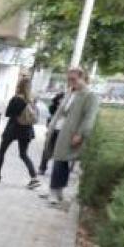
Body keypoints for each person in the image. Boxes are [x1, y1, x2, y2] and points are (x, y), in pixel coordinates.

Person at [44, 67, 100, 207]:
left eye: (73, 79)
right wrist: (51, 126)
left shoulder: (89, 95)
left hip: (70, 133)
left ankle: (53, 191)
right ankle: (58, 191)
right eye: (68, 79)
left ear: (83, 78)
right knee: (60, 161)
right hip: (58, 130)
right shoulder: (70, 92)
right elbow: (60, 112)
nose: (70, 82)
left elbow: (89, 117)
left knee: (60, 161)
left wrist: (80, 134)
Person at [0, 77, 41, 189]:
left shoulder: (16, 99)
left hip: (13, 129)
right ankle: (34, 178)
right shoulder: (31, 100)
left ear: (19, 86)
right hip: (26, 130)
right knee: (23, 154)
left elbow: (8, 113)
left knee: (2, 150)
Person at [38, 89, 66, 176]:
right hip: (53, 130)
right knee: (47, 149)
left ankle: (57, 171)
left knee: (60, 152)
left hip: (63, 132)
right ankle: (42, 168)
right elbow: (50, 117)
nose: (62, 101)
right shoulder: (53, 107)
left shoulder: (69, 110)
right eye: (61, 99)